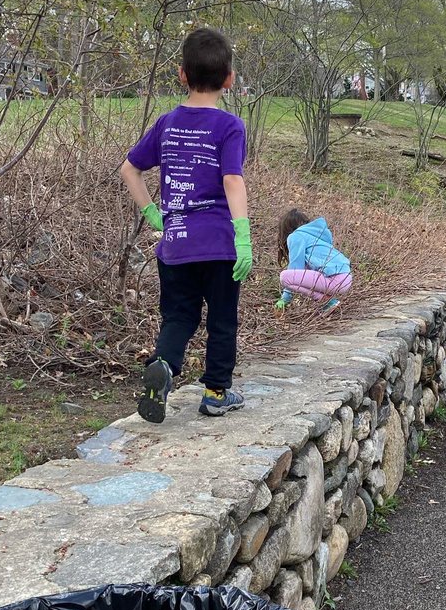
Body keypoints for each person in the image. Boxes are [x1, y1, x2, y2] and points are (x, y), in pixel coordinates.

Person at [120, 28, 252, 423]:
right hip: (219, 244)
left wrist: (152, 213)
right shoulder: (230, 126)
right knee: (222, 320)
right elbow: (232, 180)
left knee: (179, 316)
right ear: (229, 79)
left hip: (175, 243)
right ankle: (216, 393)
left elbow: (129, 170)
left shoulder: (167, 124)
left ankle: (163, 365)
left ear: (182, 74)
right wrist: (243, 236)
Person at [274, 208, 352, 314]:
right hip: (346, 279)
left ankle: (328, 302)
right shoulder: (317, 235)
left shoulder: (296, 236)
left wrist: (285, 299)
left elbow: (295, 268)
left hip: (333, 280)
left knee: (285, 277)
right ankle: (328, 302)